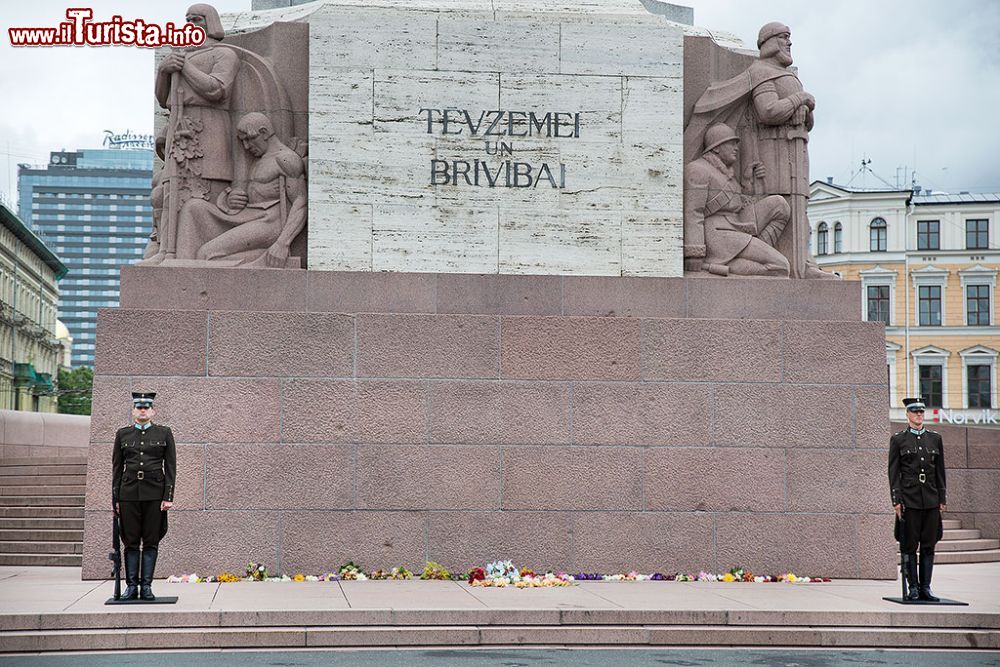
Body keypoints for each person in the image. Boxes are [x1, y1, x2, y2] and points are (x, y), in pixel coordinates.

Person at [141, 3, 240, 265]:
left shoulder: (224, 54)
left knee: (201, 191)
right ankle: (166, 250)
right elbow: (163, 100)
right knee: (172, 188)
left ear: (211, 24)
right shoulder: (181, 54)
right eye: (187, 20)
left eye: (197, 20)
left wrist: (184, 66)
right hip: (179, 129)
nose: (191, 25)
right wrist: (164, 70)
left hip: (209, 128)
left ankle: (190, 253)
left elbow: (217, 90)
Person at [175, 112, 307, 266]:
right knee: (193, 207)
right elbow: (255, 194)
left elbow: (301, 202)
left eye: (249, 139)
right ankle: (181, 264)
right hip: (248, 215)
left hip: (269, 221)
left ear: (264, 133)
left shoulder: (286, 159)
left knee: (206, 253)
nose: (246, 146)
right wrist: (230, 199)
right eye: (243, 141)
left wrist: (282, 243)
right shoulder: (261, 159)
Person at [684, 123, 790, 276]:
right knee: (781, 266)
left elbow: (738, 204)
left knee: (780, 205)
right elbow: (693, 212)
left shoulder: (727, 173)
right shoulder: (698, 170)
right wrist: (694, 251)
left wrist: (748, 182)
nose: (736, 148)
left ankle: (753, 251)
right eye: (731, 144)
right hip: (718, 234)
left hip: (737, 224)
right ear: (716, 147)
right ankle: (724, 267)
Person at [112, 392, 176, 601]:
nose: (142, 410)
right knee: (130, 542)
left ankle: (146, 587)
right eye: (139, 407)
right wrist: (116, 500)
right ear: (133, 411)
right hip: (128, 494)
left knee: (151, 541)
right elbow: (117, 468)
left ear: (152, 411)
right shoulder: (123, 435)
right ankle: (131, 587)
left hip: (154, 495)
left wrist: (168, 496)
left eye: (146, 407)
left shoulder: (164, 433)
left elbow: (171, 468)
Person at [888, 397, 947, 601]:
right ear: (908, 415)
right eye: (915, 412)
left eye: (921, 412)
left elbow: (940, 471)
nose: (919, 415)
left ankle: (926, 587)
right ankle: (913, 587)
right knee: (910, 546)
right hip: (910, 499)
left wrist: (942, 498)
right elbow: (894, 473)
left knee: (929, 546)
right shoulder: (899, 440)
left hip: (930, 499)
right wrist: (896, 500)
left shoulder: (934, 438)